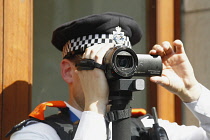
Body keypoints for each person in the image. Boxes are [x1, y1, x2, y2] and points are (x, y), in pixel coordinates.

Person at [9, 12, 210, 140]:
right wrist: (94, 107)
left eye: (122, 63)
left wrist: (193, 93)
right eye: (103, 62)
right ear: (69, 71)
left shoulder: (147, 128)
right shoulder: (38, 134)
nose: (113, 73)